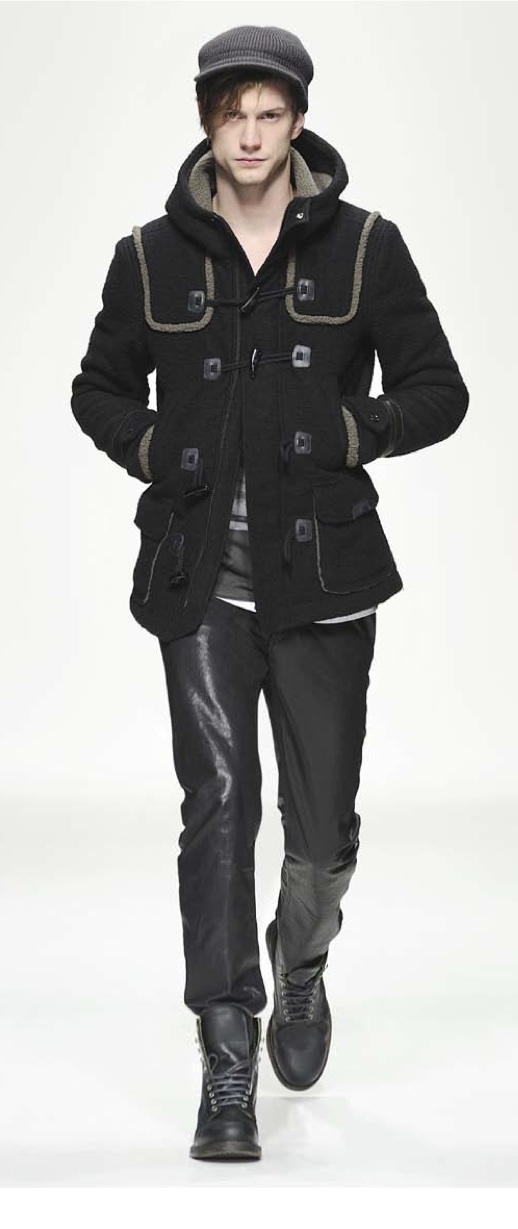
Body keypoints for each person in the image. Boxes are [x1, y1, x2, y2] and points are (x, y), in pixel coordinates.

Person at [70, 24, 469, 1163]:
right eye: (231, 113)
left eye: (269, 113)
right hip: (200, 581)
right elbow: (97, 388)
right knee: (217, 804)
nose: (250, 135)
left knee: (322, 826)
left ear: (297, 120)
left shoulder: (365, 245)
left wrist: (355, 430)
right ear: (207, 121)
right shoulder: (149, 254)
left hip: (327, 578)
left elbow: (439, 388)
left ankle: (301, 962)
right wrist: (154, 449)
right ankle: (226, 1047)